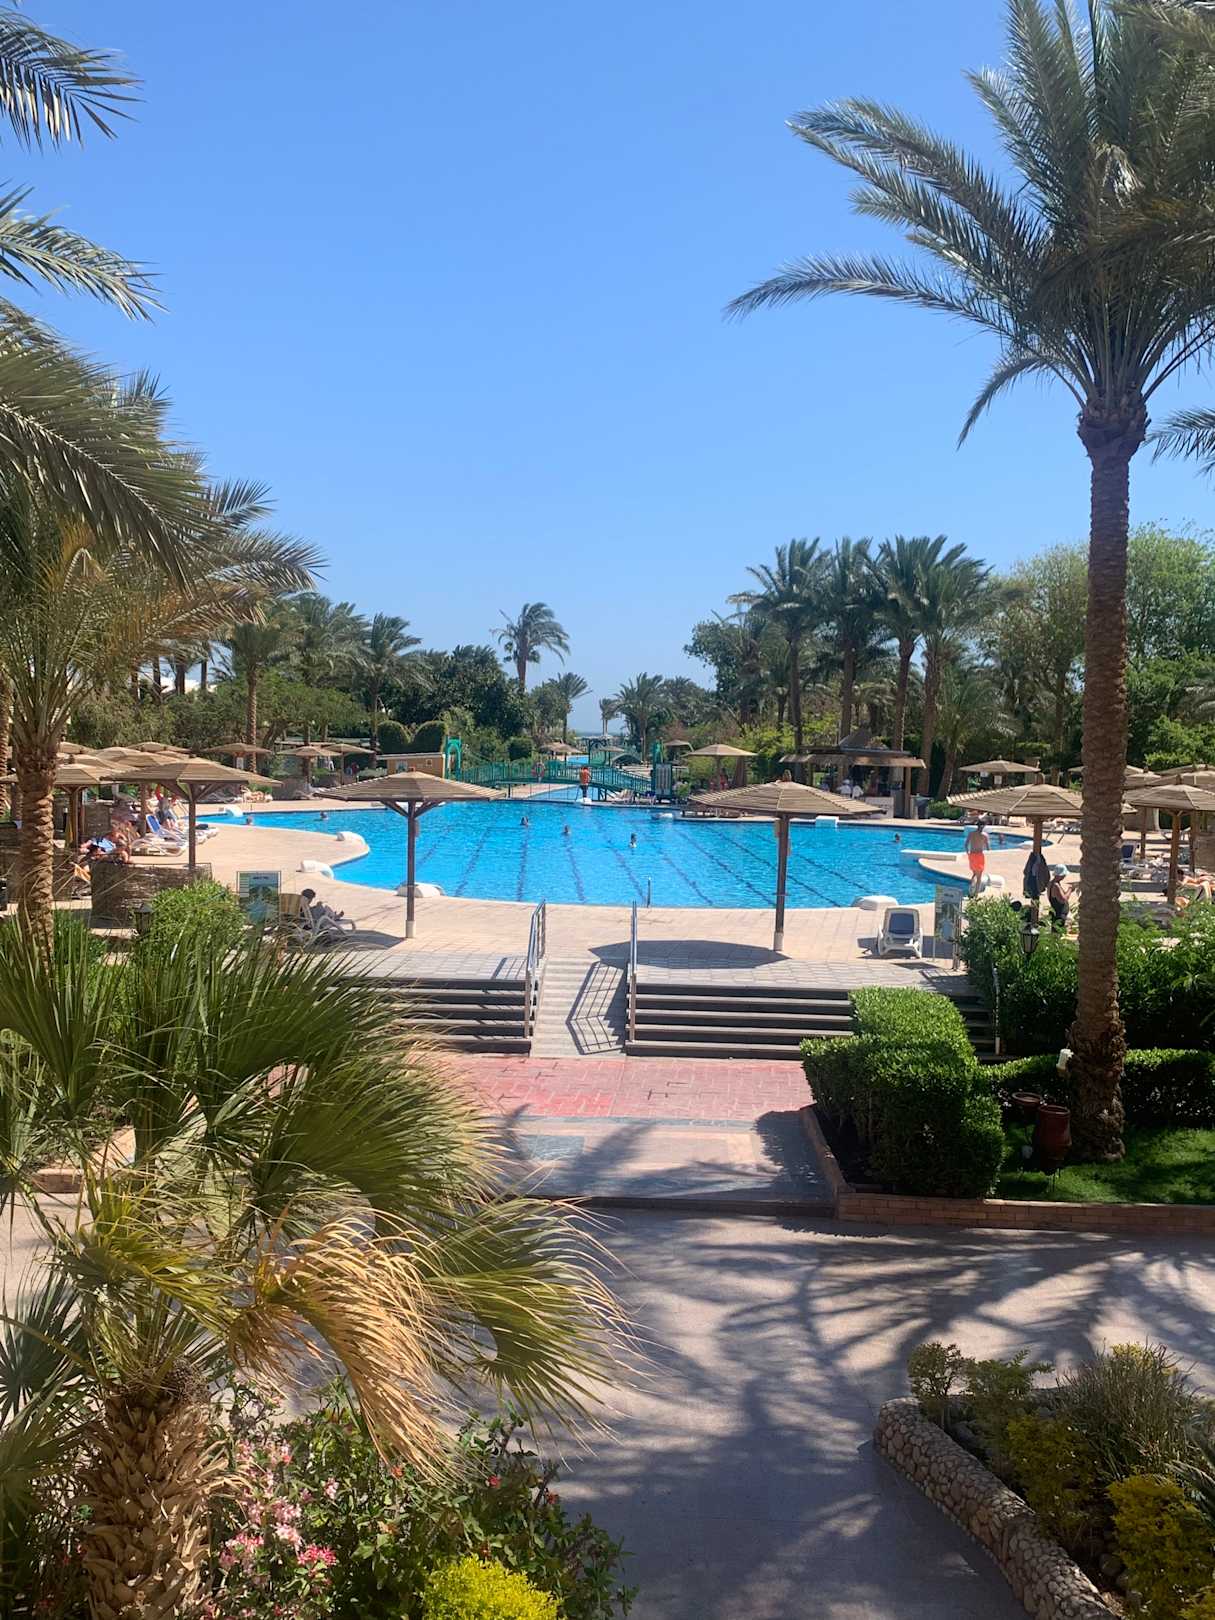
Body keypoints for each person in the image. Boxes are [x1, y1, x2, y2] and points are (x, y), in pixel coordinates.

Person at [965, 817, 990, 896]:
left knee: (974, 874)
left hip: (972, 855)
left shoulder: (971, 834)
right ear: (984, 826)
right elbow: (988, 848)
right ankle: (975, 894)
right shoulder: (985, 835)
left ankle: (971, 890)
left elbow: (966, 845)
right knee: (979, 876)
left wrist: (968, 854)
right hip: (979, 856)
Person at [1047, 865, 1072, 930]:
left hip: (1056, 913)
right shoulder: (1056, 886)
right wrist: (1070, 889)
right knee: (1057, 932)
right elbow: (1064, 899)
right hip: (1059, 915)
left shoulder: (1051, 883)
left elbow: (1061, 895)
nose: (1064, 876)